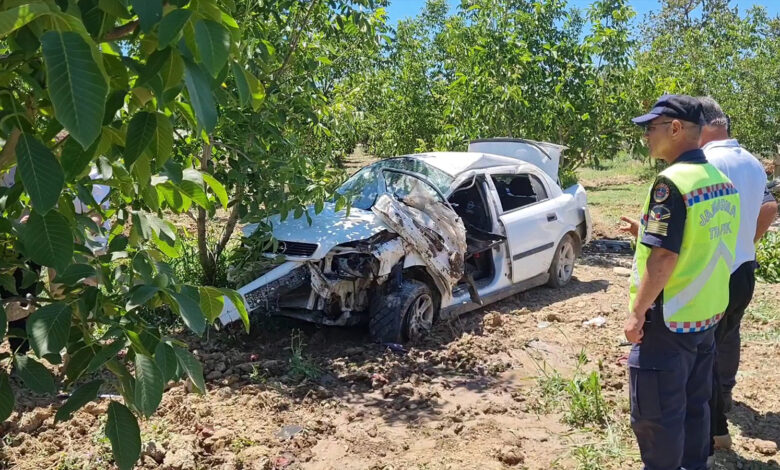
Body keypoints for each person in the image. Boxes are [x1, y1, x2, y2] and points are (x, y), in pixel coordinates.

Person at [620, 94, 740, 470]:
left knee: (657, 417)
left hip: (668, 321)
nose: (646, 138)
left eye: (651, 129)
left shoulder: (670, 185)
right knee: (694, 406)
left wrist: (637, 313)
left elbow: (664, 257)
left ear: (675, 129)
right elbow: (700, 244)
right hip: (705, 317)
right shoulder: (720, 182)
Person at [697, 96, 778, 452]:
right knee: (728, 337)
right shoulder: (750, 161)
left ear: (702, 126)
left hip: (714, 272)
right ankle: (724, 397)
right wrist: (750, 239)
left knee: (702, 350)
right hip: (744, 269)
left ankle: (714, 431)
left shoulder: (704, 162)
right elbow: (770, 206)